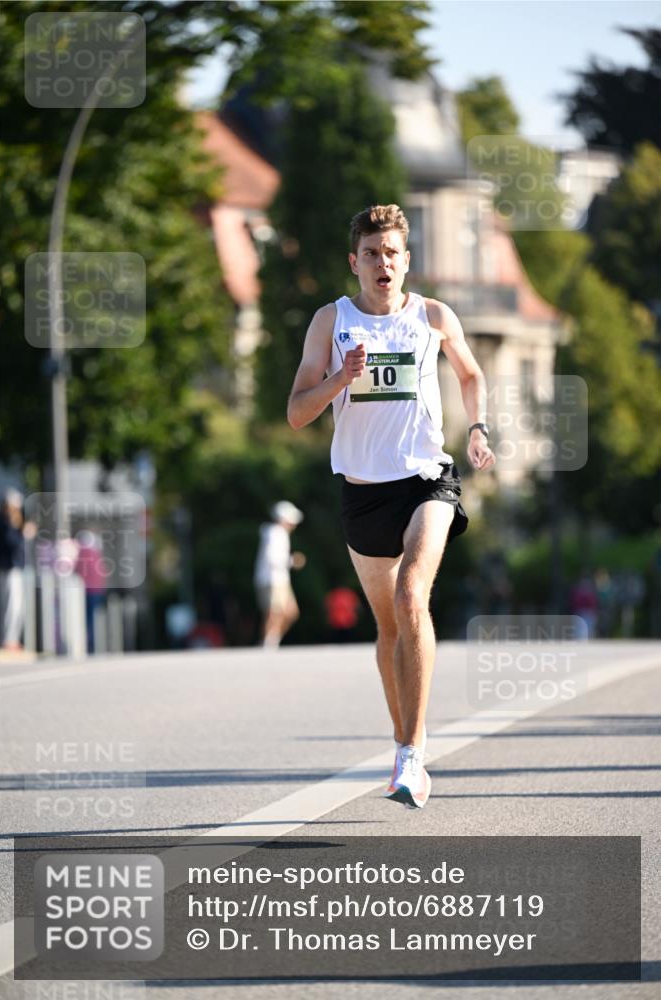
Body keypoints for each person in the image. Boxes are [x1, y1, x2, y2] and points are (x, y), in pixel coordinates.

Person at [287, 204, 495, 809]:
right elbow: (297, 412)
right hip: (363, 490)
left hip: (427, 479)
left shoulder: (432, 316)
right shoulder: (331, 321)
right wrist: (338, 380)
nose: (384, 264)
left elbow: (471, 373)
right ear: (355, 262)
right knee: (387, 626)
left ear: (407, 260)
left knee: (412, 595)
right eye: (373, 254)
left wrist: (477, 428)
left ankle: (412, 753)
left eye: (394, 254)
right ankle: (403, 737)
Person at [254, 501, 306, 648]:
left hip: (281, 579)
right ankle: (268, 643)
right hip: (272, 578)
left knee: (290, 612)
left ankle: (272, 640)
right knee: (274, 612)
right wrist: (292, 561)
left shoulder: (277, 533)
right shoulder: (275, 533)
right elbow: (273, 557)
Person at [0, 489, 36, 650]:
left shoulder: (11, 522)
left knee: (17, 606)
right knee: (10, 606)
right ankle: (7, 640)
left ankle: (12, 639)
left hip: (16, 568)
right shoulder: (3, 522)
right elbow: (11, 543)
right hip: (8, 568)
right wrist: (24, 533)